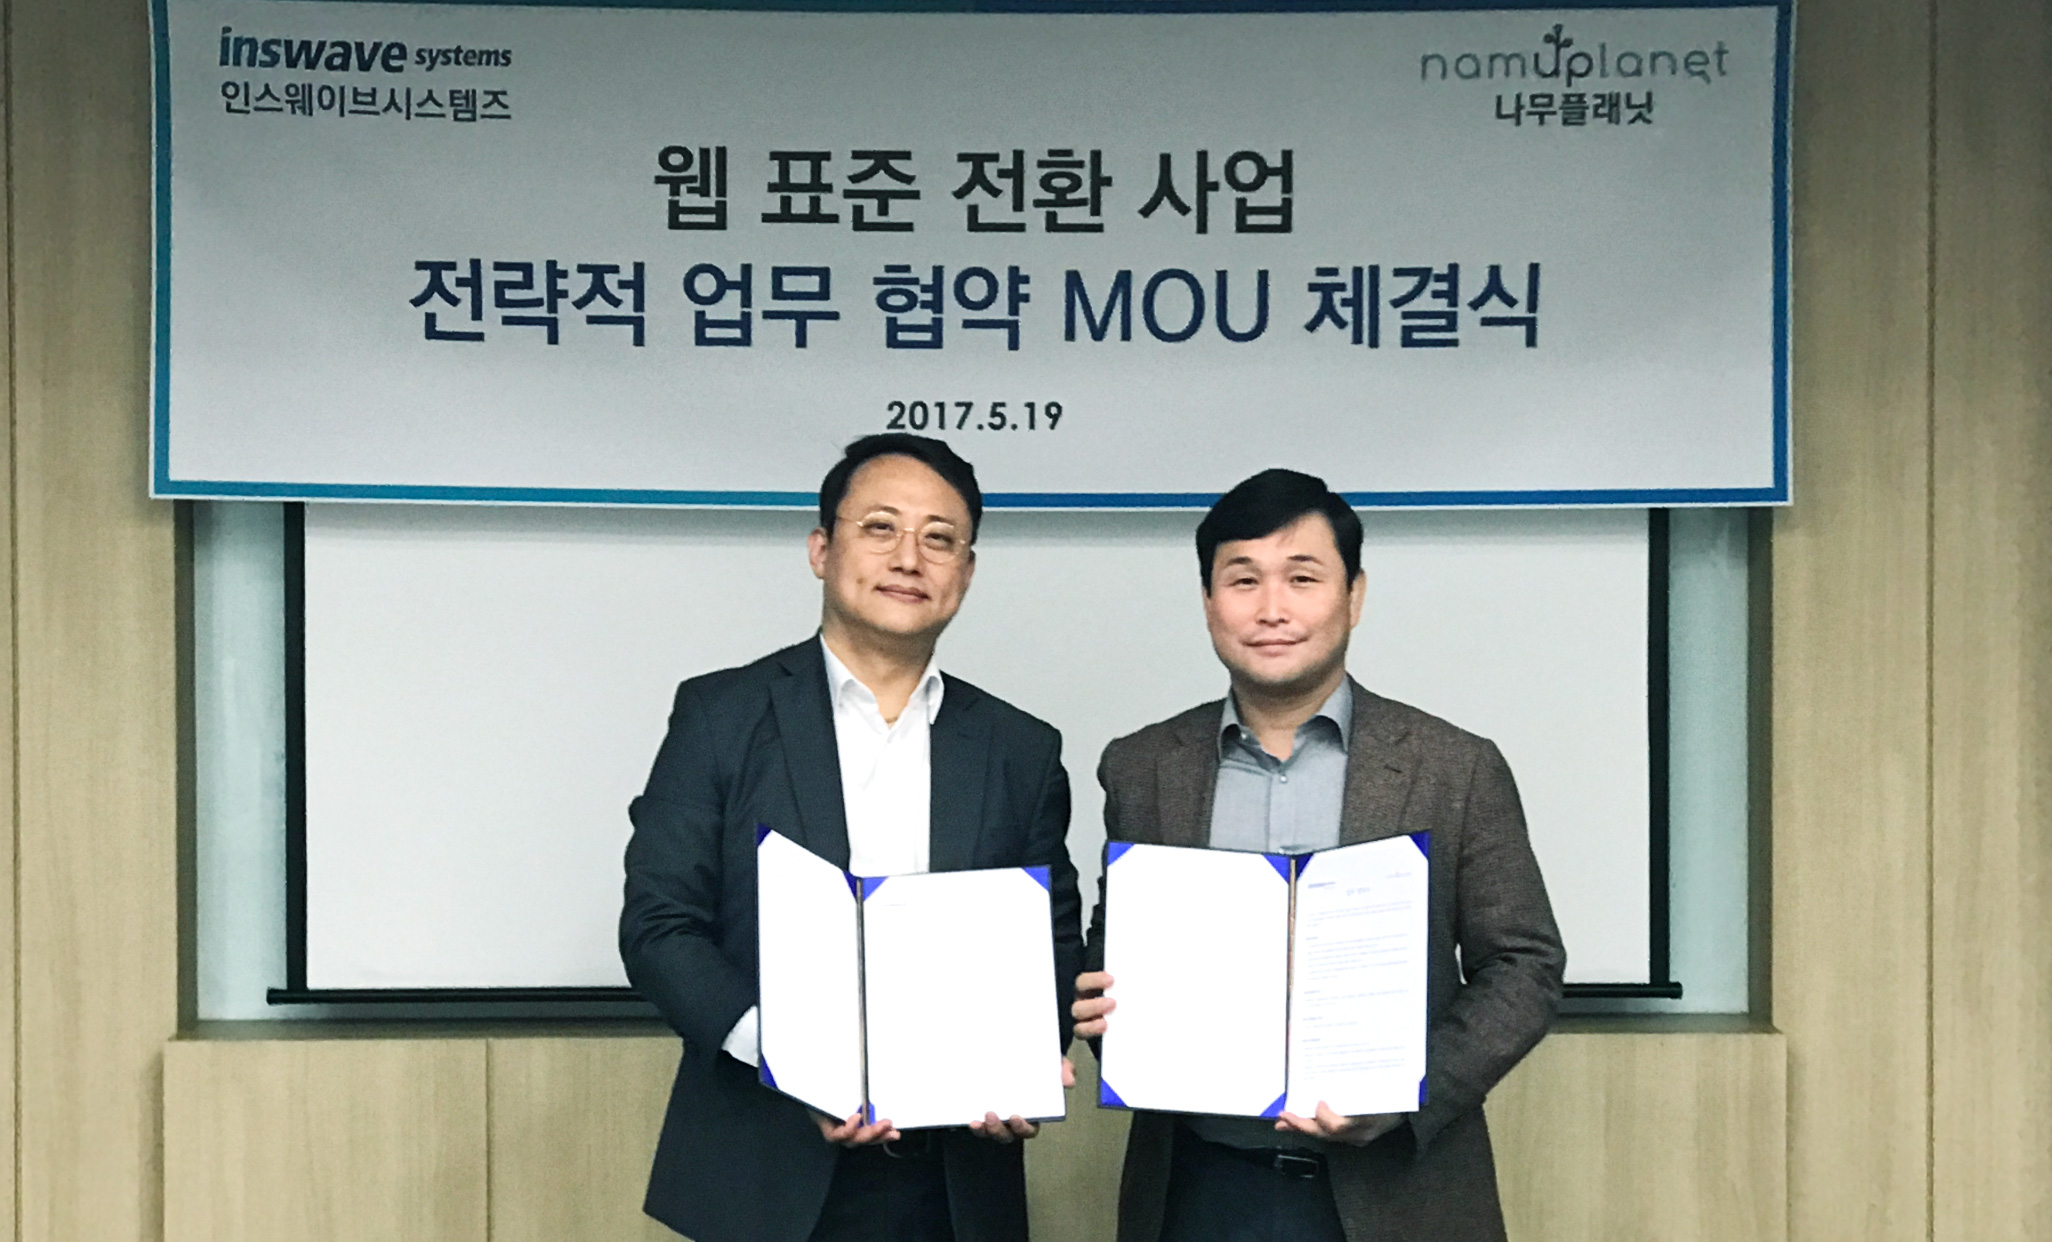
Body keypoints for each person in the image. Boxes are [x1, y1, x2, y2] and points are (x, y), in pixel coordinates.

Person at [1071, 468, 1564, 1242]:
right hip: (1197, 1186)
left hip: (1396, 1192)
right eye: (1242, 580)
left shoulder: (1453, 766)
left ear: (1353, 596)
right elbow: (1118, 949)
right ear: (1207, 601)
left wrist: (1409, 1092)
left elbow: (1524, 964)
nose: (1271, 609)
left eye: (1302, 578)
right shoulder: (1142, 767)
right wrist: (1103, 1008)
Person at [622, 433, 1083, 1242]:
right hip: (764, 1169)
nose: (909, 557)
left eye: (939, 538)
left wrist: (1024, 1065)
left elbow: (1049, 939)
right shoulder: (720, 716)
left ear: (966, 572)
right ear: (820, 549)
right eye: (879, 527)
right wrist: (790, 1061)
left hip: (953, 1183)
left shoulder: (1019, 748)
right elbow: (661, 927)